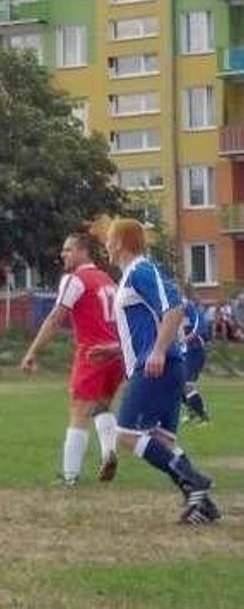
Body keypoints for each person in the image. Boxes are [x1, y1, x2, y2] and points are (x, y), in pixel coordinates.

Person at [104, 218, 220, 525]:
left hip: (157, 365)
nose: (105, 244)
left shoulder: (141, 270)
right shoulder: (131, 275)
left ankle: (193, 480)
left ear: (120, 242)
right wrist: (115, 350)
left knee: (127, 433)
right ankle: (203, 505)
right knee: (163, 440)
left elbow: (175, 308)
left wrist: (156, 351)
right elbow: (146, 325)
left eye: (108, 239)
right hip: (163, 364)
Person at [21, 233, 124, 486]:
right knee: (101, 407)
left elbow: (56, 318)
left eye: (68, 250)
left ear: (83, 252)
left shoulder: (75, 280)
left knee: (78, 413)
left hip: (93, 354)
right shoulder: (107, 279)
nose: (63, 254)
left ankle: (70, 476)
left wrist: (32, 351)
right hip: (116, 354)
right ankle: (109, 452)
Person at [180, 295, 212, 425]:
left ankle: (203, 416)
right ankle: (193, 412)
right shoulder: (169, 308)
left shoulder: (190, 307)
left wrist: (186, 339)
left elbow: (201, 328)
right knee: (178, 385)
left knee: (187, 384)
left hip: (194, 351)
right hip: (183, 353)